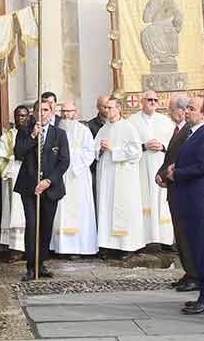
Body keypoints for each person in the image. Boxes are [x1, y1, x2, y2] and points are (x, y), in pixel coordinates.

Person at [169, 96, 204, 315]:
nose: (187, 111)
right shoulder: (191, 133)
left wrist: (176, 173)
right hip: (188, 201)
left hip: (200, 203)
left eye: (192, 108)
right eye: (187, 108)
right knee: (197, 252)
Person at [15, 99, 69, 281]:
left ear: (52, 112)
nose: (42, 114)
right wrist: (32, 137)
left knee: (46, 227)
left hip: (50, 188)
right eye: (39, 110)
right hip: (29, 187)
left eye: (46, 110)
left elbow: (64, 161)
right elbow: (18, 153)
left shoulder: (59, 134)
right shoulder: (24, 131)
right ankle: (31, 267)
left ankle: (42, 263)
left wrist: (49, 180)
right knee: (32, 226)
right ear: (34, 112)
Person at [94, 96, 144, 258]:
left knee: (123, 209)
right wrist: (99, 151)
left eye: (110, 108)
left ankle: (127, 246)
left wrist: (114, 149)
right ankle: (108, 245)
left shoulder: (128, 127)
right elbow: (94, 150)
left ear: (119, 109)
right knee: (106, 208)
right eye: (105, 108)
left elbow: (136, 152)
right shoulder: (103, 129)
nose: (106, 110)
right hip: (107, 175)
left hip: (123, 176)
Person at [158, 95, 198, 292]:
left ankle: (195, 274)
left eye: (172, 109)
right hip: (174, 188)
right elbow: (170, 157)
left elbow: (184, 161)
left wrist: (170, 174)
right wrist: (161, 174)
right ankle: (188, 271)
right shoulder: (178, 130)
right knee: (180, 235)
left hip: (184, 190)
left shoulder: (191, 132)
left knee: (187, 235)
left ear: (182, 111)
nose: (169, 113)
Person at [127, 91, 174, 249]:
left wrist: (163, 146)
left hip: (160, 163)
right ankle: (143, 240)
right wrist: (143, 146)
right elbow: (128, 144)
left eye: (155, 100)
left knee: (162, 201)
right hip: (141, 165)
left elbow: (173, 144)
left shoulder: (166, 121)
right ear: (142, 101)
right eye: (149, 100)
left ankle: (165, 239)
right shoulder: (132, 121)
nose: (153, 102)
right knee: (143, 199)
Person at [50, 101, 97, 256]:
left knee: (78, 210)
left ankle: (78, 247)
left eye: (68, 111)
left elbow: (90, 152)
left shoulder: (83, 131)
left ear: (75, 113)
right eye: (63, 111)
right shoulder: (56, 131)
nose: (65, 114)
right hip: (59, 176)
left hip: (78, 177)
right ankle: (59, 247)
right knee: (60, 212)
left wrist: (72, 165)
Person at [0, 105, 29, 256]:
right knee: (15, 212)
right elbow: (0, 157)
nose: (21, 118)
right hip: (13, 176)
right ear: (14, 118)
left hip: (30, 177)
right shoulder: (7, 137)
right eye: (18, 116)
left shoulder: (33, 134)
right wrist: (14, 160)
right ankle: (15, 248)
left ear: (28, 117)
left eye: (23, 116)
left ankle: (31, 248)